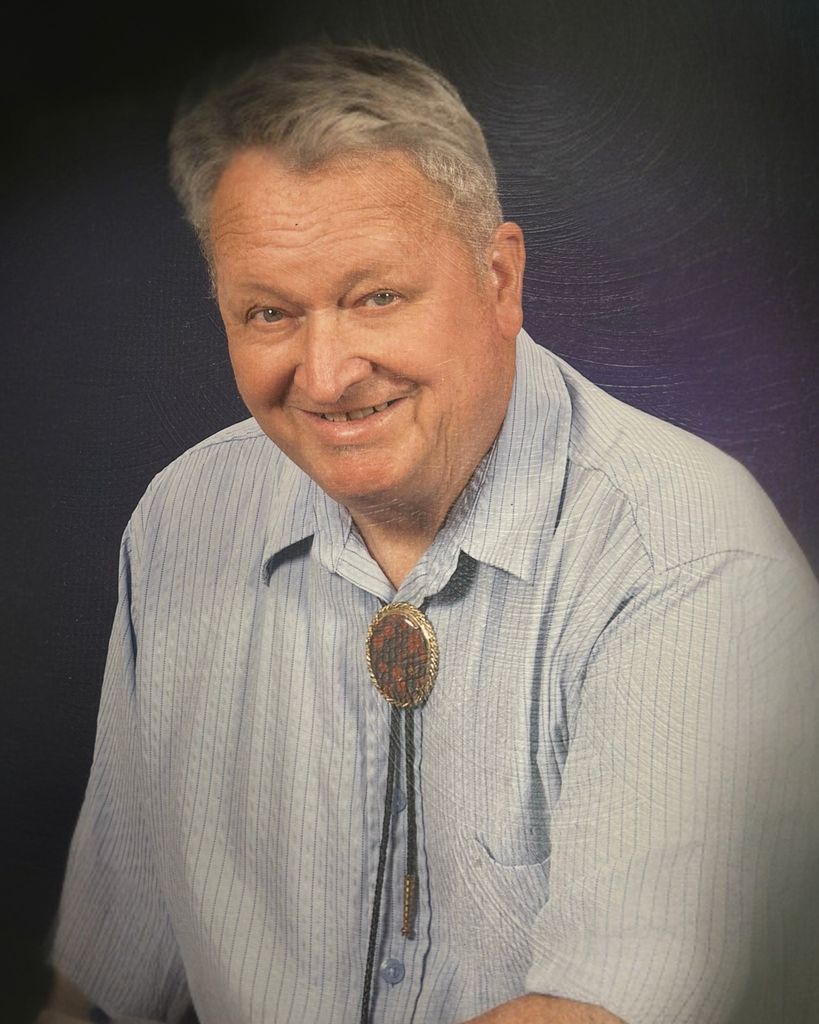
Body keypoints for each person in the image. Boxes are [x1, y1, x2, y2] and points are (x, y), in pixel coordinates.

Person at [40, 42, 819, 1024]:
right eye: (270, 312)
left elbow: (596, 1015)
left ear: (499, 277)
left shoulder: (687, 558)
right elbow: (103, 988)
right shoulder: (182, 518)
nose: (326, 375)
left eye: (376, 297)